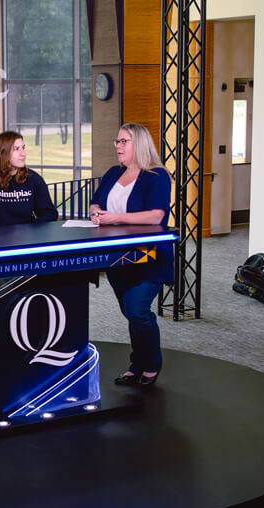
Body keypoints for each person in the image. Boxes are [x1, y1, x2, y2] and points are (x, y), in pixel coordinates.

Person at [89, 122, 172, 386]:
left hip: (148, 256)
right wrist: (96, 214)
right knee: (130, 312)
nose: (118, 146)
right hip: (116, 256)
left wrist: (114, 218)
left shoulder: (157, 176)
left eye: (124, 141)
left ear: (140, 144)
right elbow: (96, 201)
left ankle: (151, 365)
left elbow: (156, 215)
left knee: (138, 310)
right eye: (117, 141)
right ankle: (137, 365)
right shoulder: (114, 172)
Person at [0, 131, 58, 230]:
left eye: (23, 148)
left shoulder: (33, 178)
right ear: (2, 153)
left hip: (26, 238)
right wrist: (3, 230)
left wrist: (30, 229)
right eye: (16, 149)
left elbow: (49, 213)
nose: (23, 153)